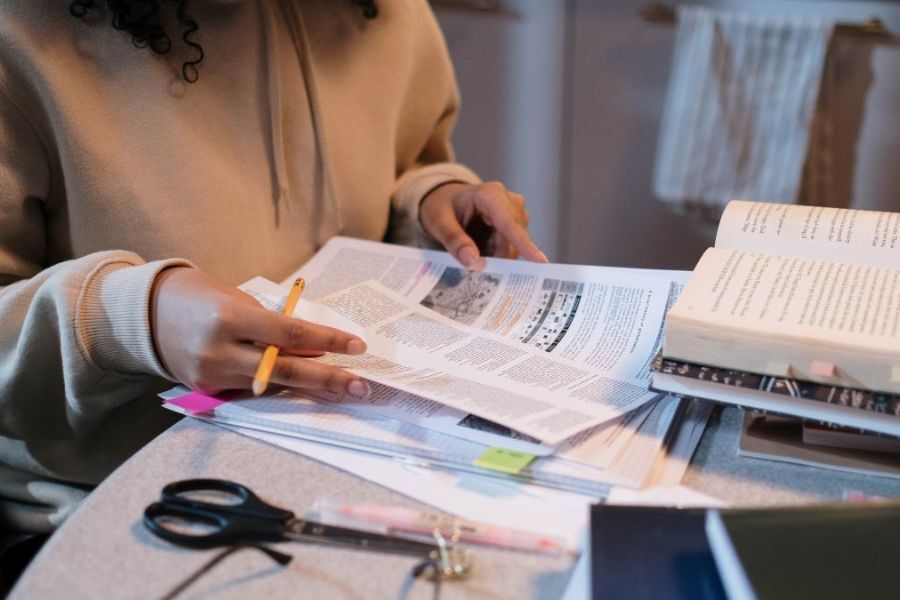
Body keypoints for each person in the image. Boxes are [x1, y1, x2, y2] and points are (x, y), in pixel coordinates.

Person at [0, 0, 547, 539]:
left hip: (358, 454)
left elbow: (405, 164)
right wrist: (128, 321)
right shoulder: (19, 33)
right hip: (120, 508)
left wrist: (432, 204)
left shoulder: (387, 14)